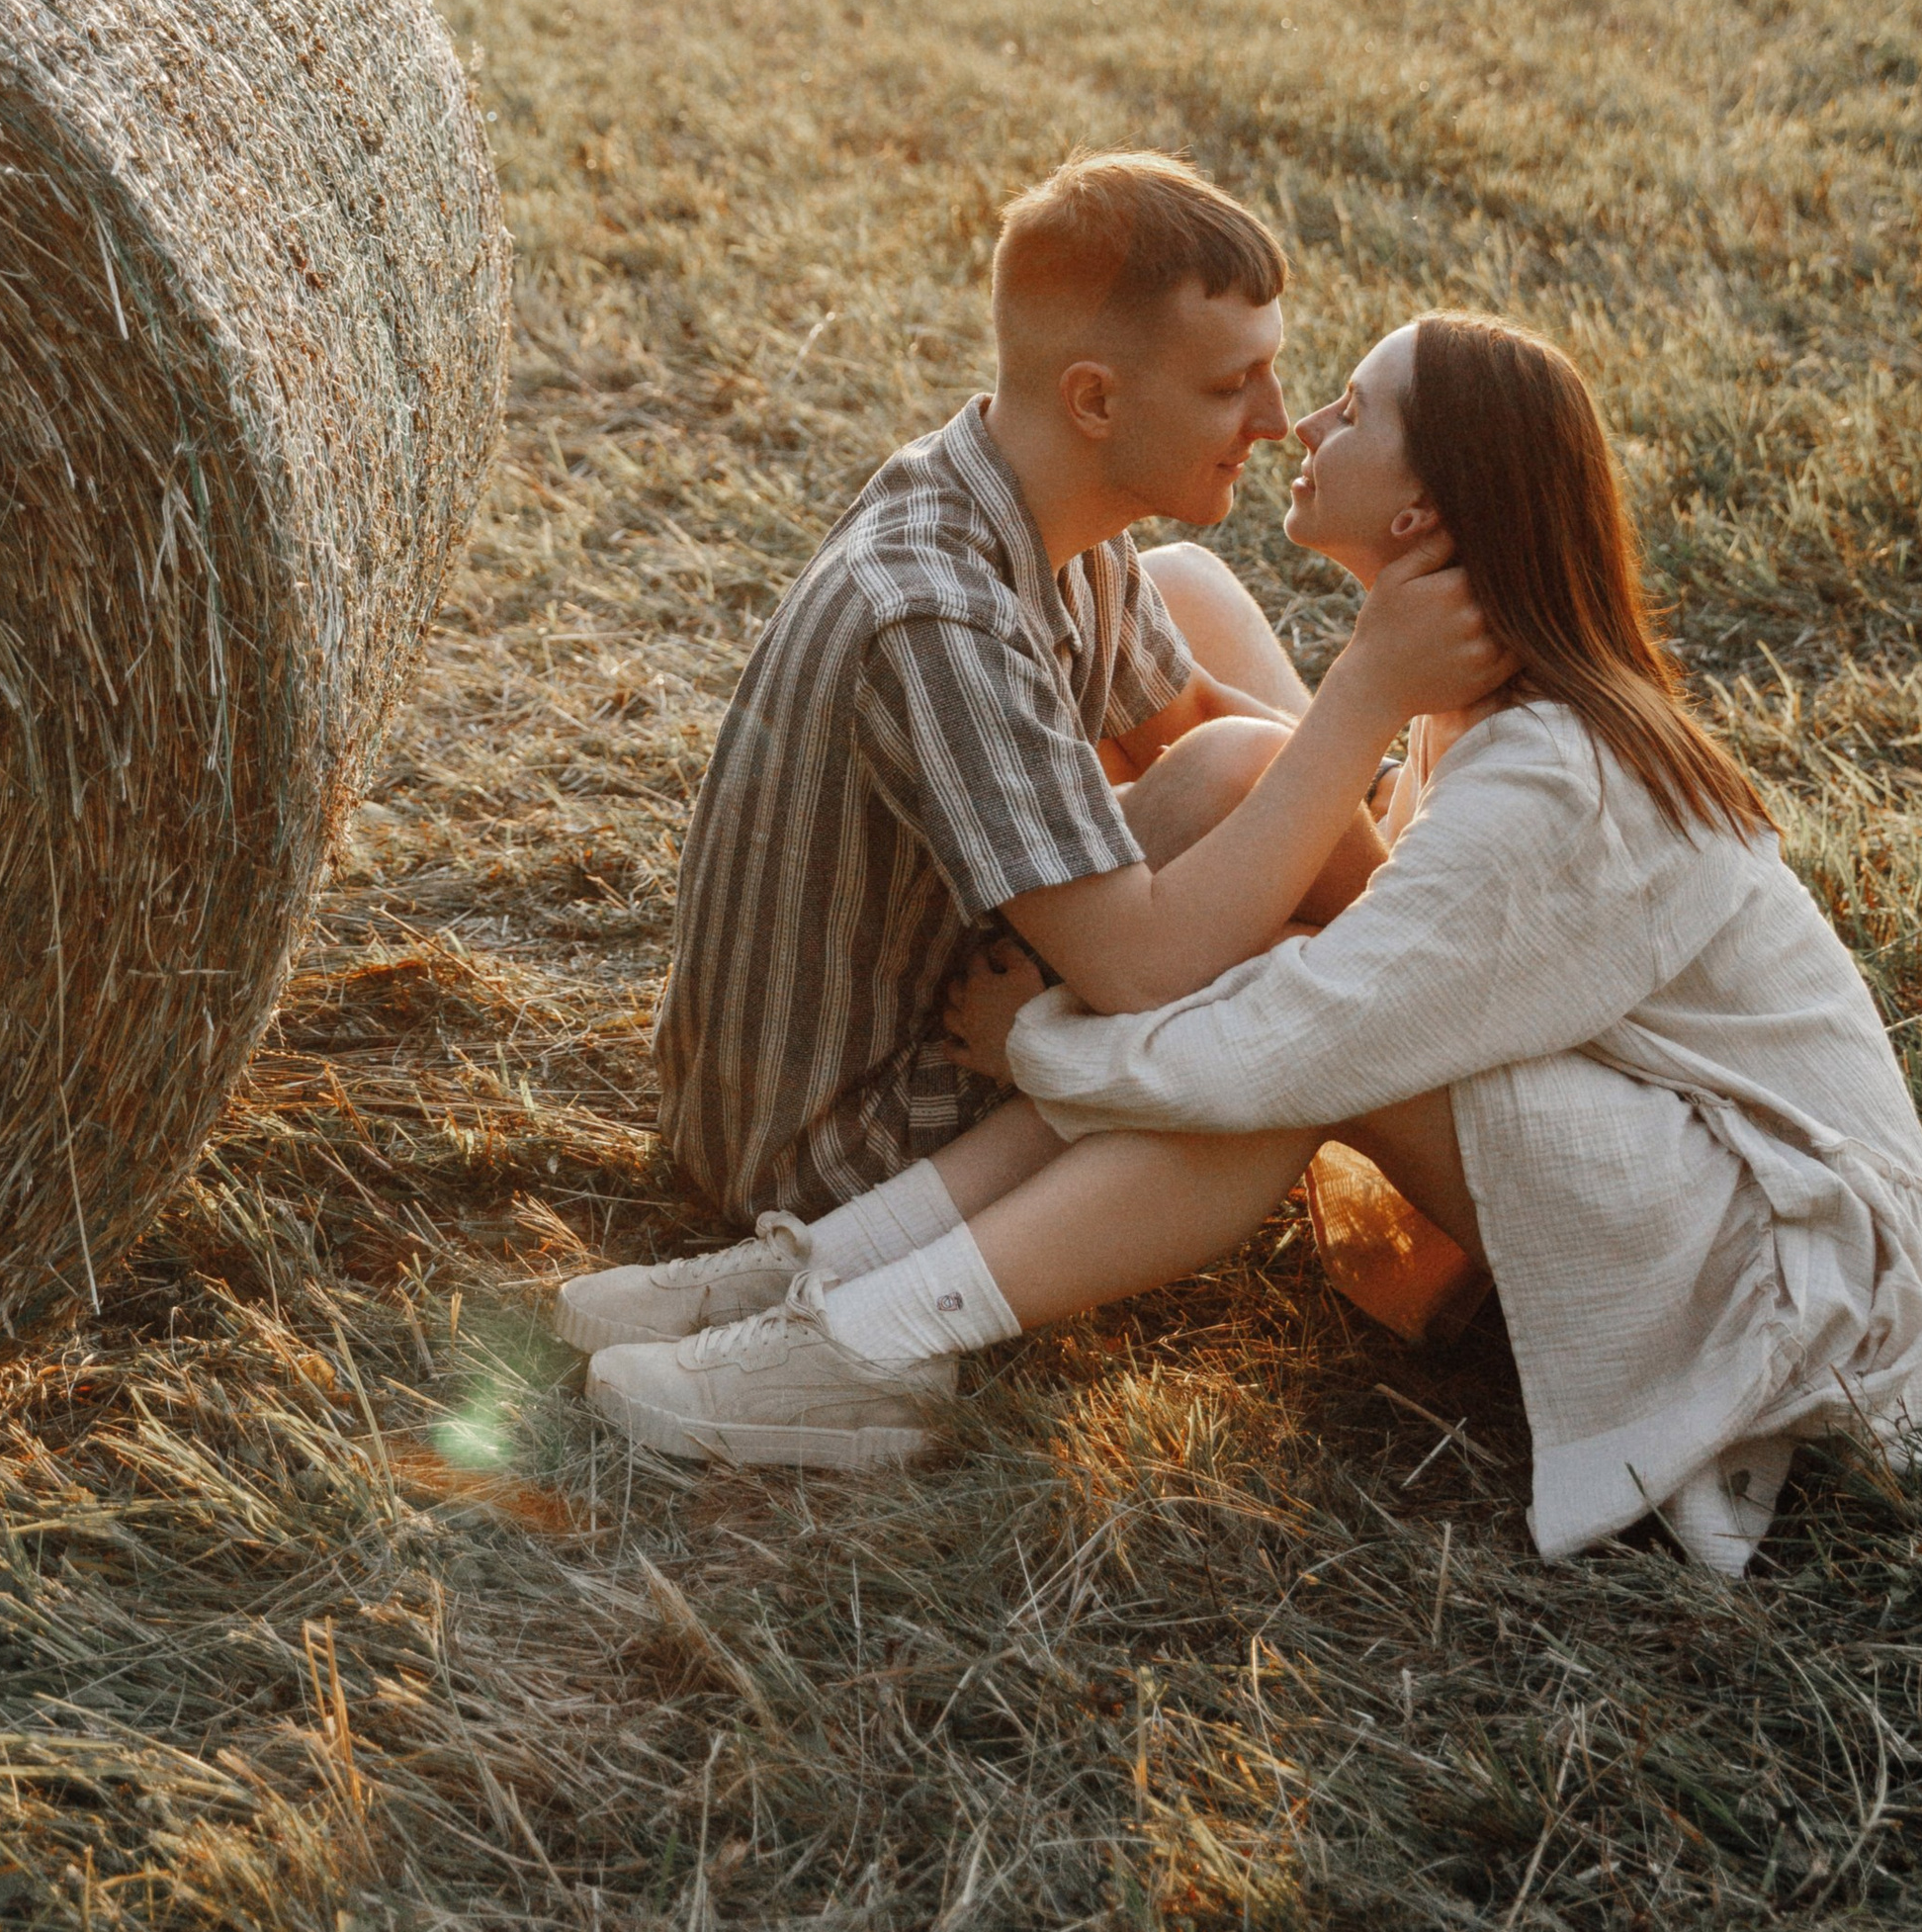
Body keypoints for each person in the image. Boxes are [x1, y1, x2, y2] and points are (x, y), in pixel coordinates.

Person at [581, 314, 1922, 1578]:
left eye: (1350, 409)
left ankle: (880, 1342)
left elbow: (1310, 1035)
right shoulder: (1494, 714)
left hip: (1797, 1274)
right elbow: (1352, 905)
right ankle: (821, 1277)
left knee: (1281, 1041)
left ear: (1429, 513)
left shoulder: (1560, 777)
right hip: (1694, 1173)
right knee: (1273, 924)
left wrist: (1033, 1037)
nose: (1301, 426)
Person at [555, 153, 1503, 1361]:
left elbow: (1195, 727)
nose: (1274, 419)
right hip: (825, 1140)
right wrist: (1369, 693)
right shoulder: (936, 612)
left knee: (1222, 696)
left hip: (910, 1007)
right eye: (1231, 386)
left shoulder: (1041, 500)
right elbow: (1149, 968)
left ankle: (1459, 1020)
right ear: (1096, 401)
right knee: (1281, 991)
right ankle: (1500, 1155)